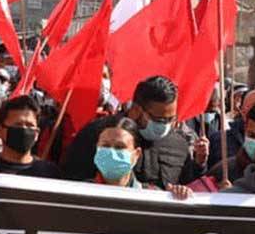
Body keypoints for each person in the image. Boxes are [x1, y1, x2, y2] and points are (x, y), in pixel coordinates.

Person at [62, 77, 208, 187]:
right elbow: (70, 181)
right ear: (136, 110)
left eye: (170, 119)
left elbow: (188, 186)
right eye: (158, 119)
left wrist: (198, 166)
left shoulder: (178, 146)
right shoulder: (98, 134)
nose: (165, 125)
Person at [0, 95, 62, 178]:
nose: (24, 129)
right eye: (18, 125)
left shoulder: (50, 173)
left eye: (30, 125)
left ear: (37, 133)